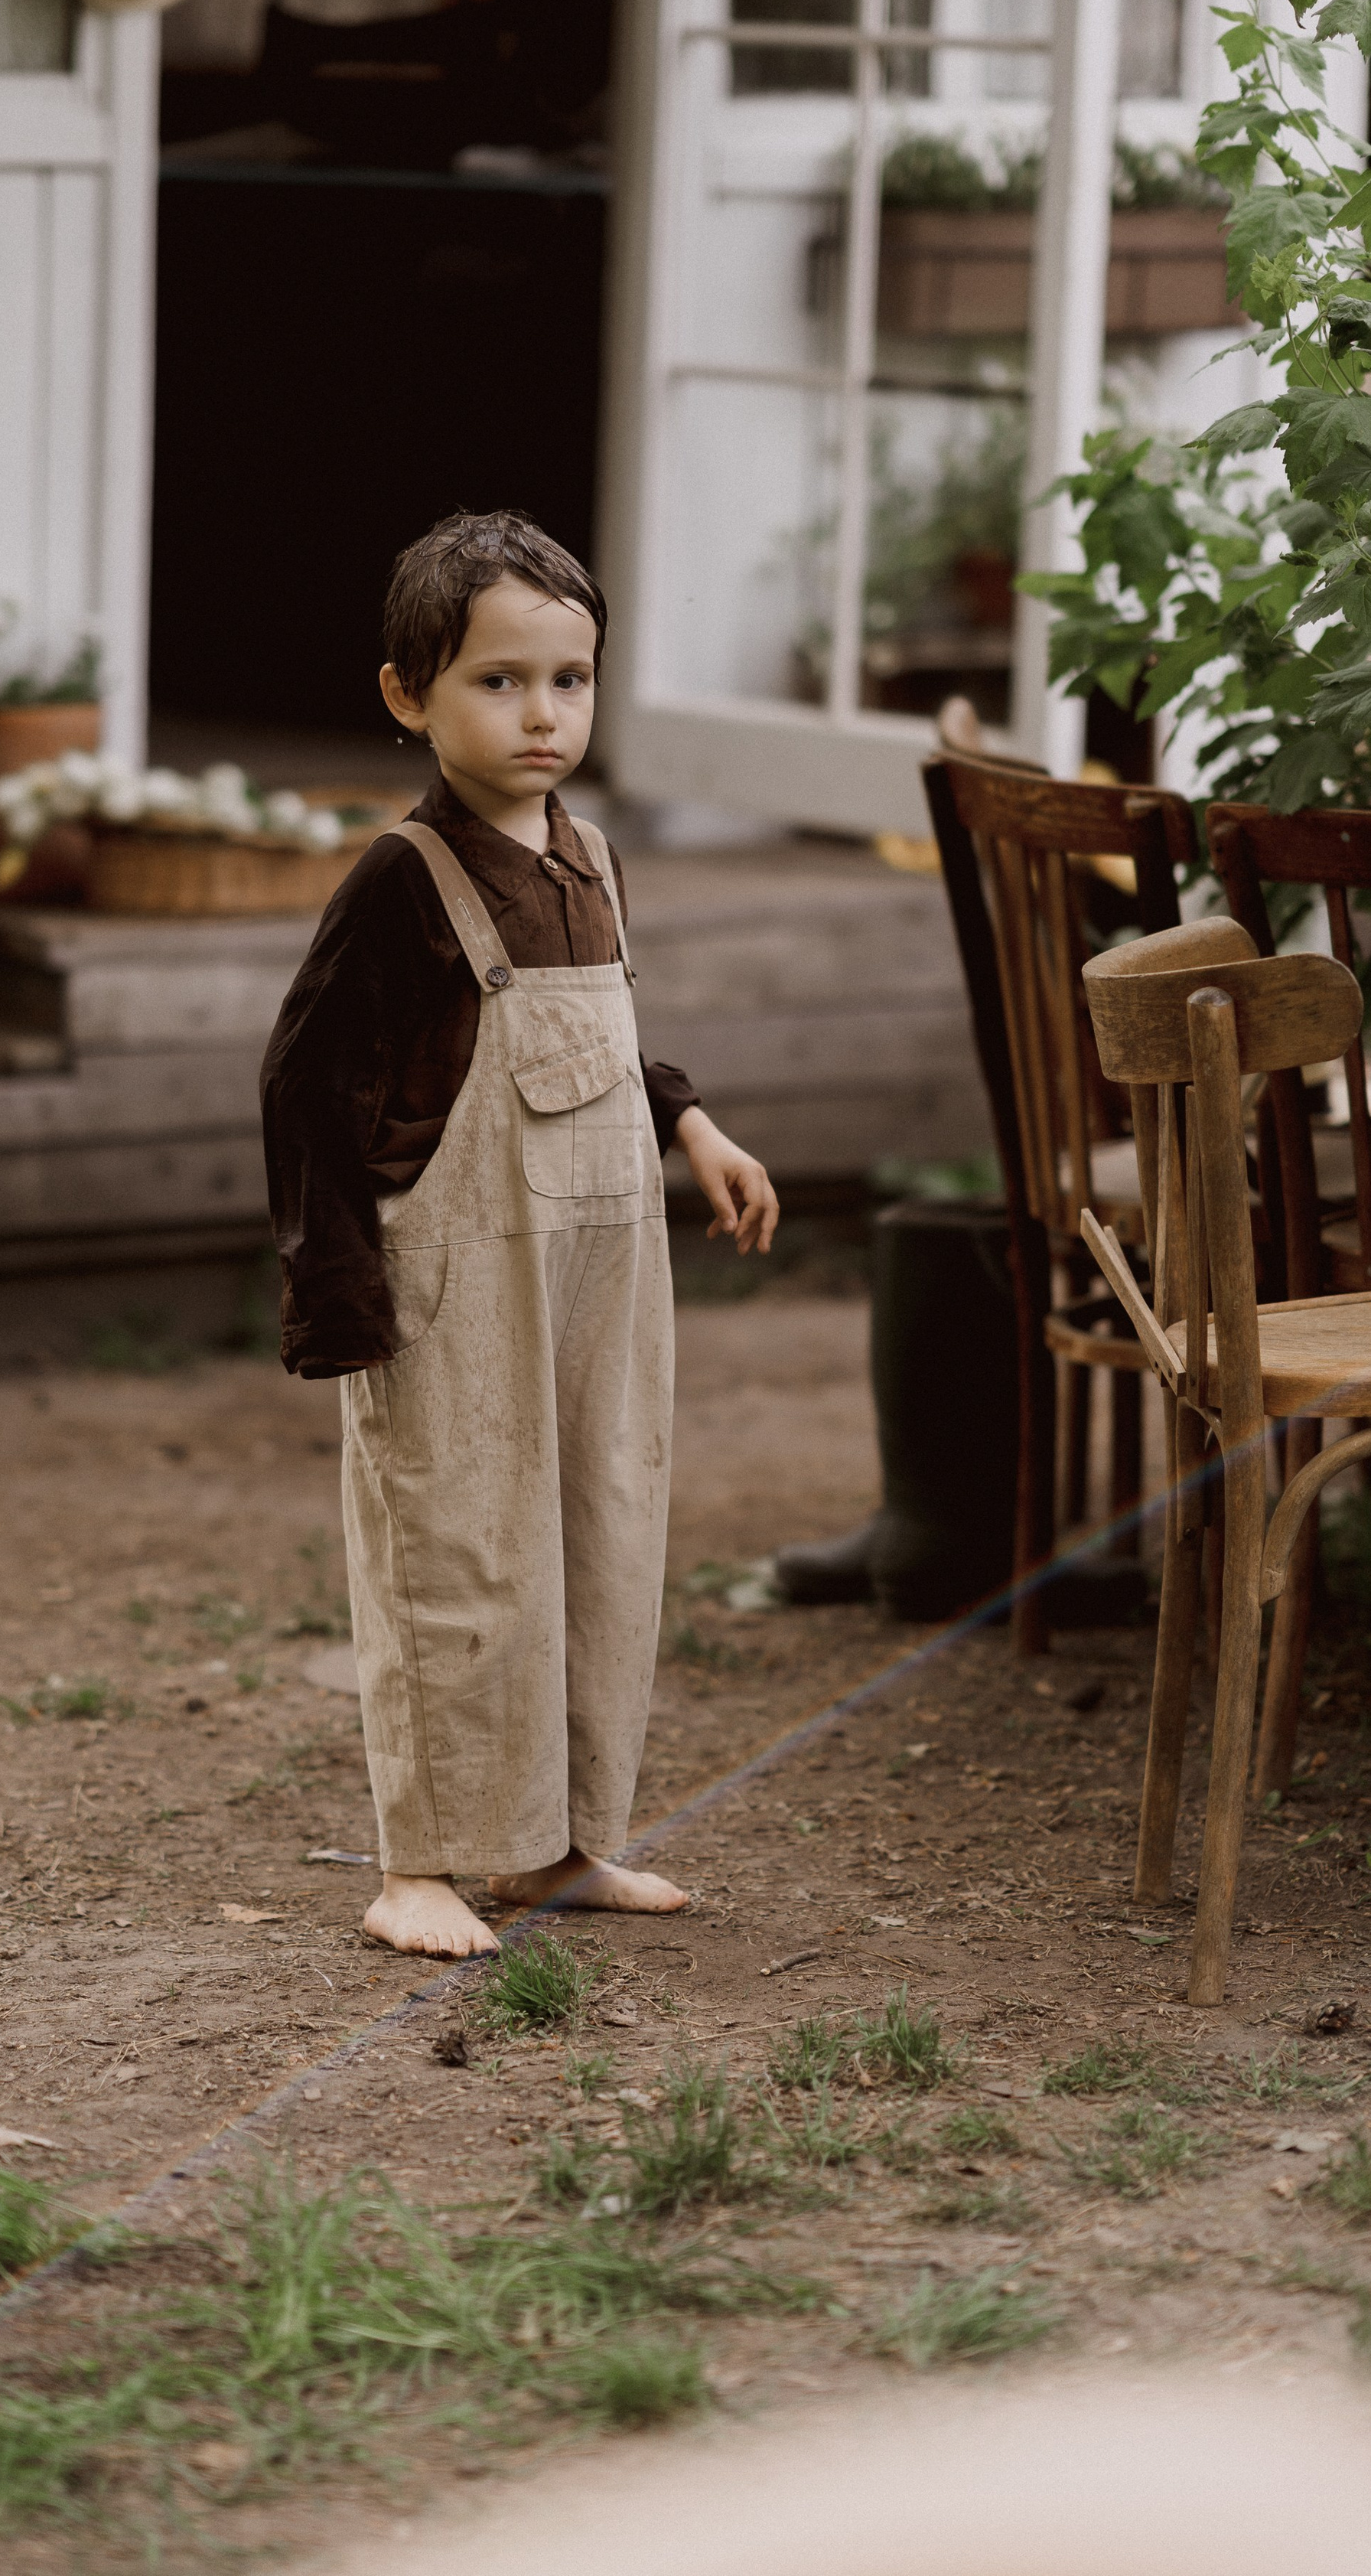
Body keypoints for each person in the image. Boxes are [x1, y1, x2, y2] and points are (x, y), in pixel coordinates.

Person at [259, 512, 779, 1959]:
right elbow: (304, 1082)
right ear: (409, 696)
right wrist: (338, 1296)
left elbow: (605, 1040)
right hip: (455, 1281)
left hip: (603, 1270)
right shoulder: (402, 885)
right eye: (499, 681)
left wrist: (692, 1125)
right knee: (461, 1551)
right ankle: (416, 1861)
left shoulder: (590, 858)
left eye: (571, 677)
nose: (542, 713)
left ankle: (555, 1848)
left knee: (596, 1536)